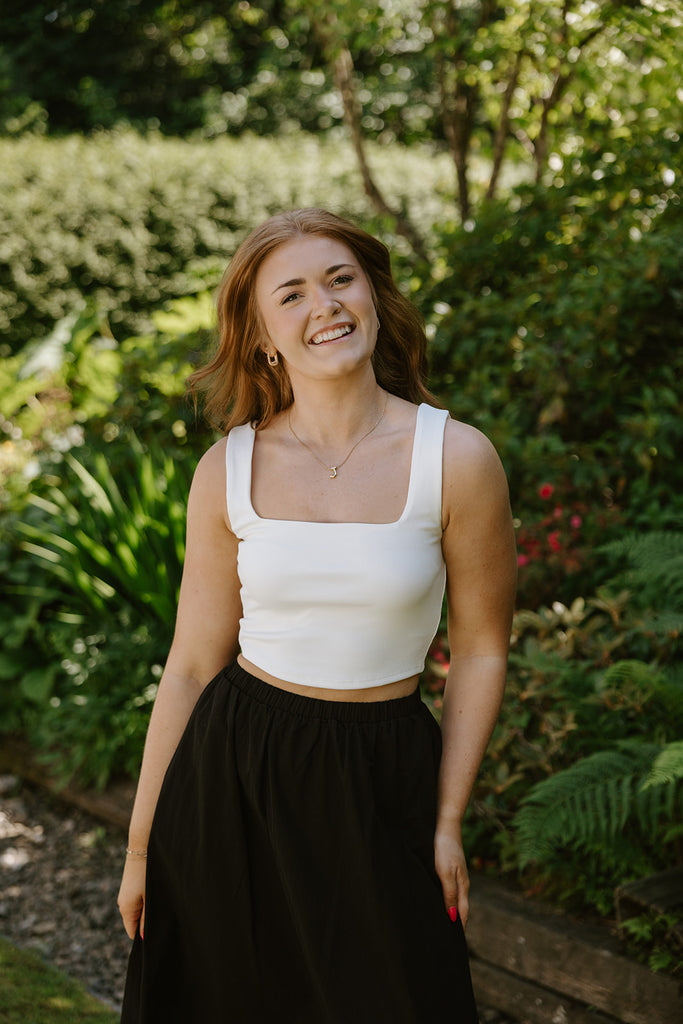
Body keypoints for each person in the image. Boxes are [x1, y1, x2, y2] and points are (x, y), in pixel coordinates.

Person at [117, 208, 517, 1023]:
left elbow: (480, 650)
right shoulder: (225, 469)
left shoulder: (458, 459)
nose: (324, 306)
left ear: (372, 297)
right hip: (234, 773)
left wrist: (446, 819)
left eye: (340, 280)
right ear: (262, 335)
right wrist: (139, 847)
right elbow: (193, 663)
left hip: (385, 775)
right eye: (291, 294)